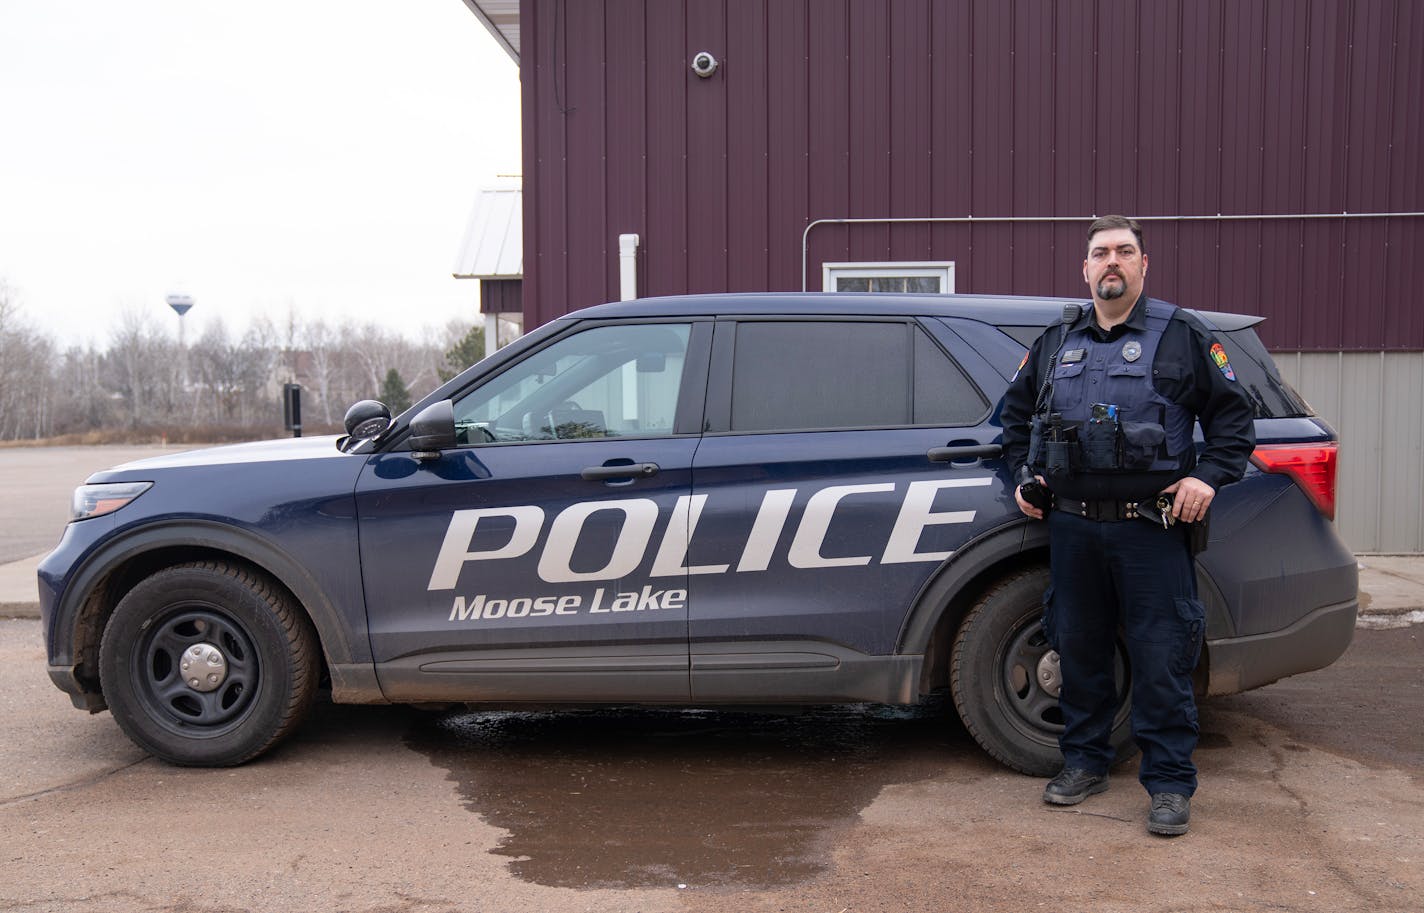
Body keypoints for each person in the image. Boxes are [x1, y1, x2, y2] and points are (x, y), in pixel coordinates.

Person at [1000, 215, 1255, 836]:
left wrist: (1207, 478)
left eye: (1123, 251)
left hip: (1153, 531)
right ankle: (1084, 763)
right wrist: (1020, 477)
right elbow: (1011, 420)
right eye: (1099, 253)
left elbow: (1234, 423)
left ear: (1144, 264)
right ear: (1085, 269)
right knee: (1080, 649)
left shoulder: (1183, 334)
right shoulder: (1057, 340)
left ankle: (1168, 785)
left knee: (1161, 657)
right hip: (1073, 530)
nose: (1111, 262)